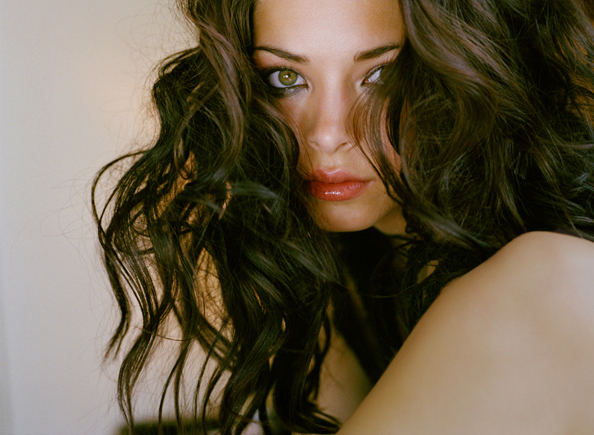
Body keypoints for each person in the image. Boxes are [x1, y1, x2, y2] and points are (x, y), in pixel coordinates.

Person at [93, 0, 594, 433]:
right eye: (286, 78)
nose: (327, 135)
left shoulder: (555, 278)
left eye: (381, 76)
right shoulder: (348, 263)